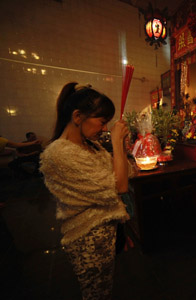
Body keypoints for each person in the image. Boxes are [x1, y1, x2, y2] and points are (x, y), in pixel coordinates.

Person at [40, 82, 130, 300]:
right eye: (102, 122)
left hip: (108, 232)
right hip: (88, 239)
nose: (105, 129)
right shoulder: (59, 154)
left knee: (105, 287)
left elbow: (125, 172)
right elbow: (119, 186)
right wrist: (117, 143)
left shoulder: (92, 146)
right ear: (78, 116)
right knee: (95, 293)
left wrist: (123, 146)